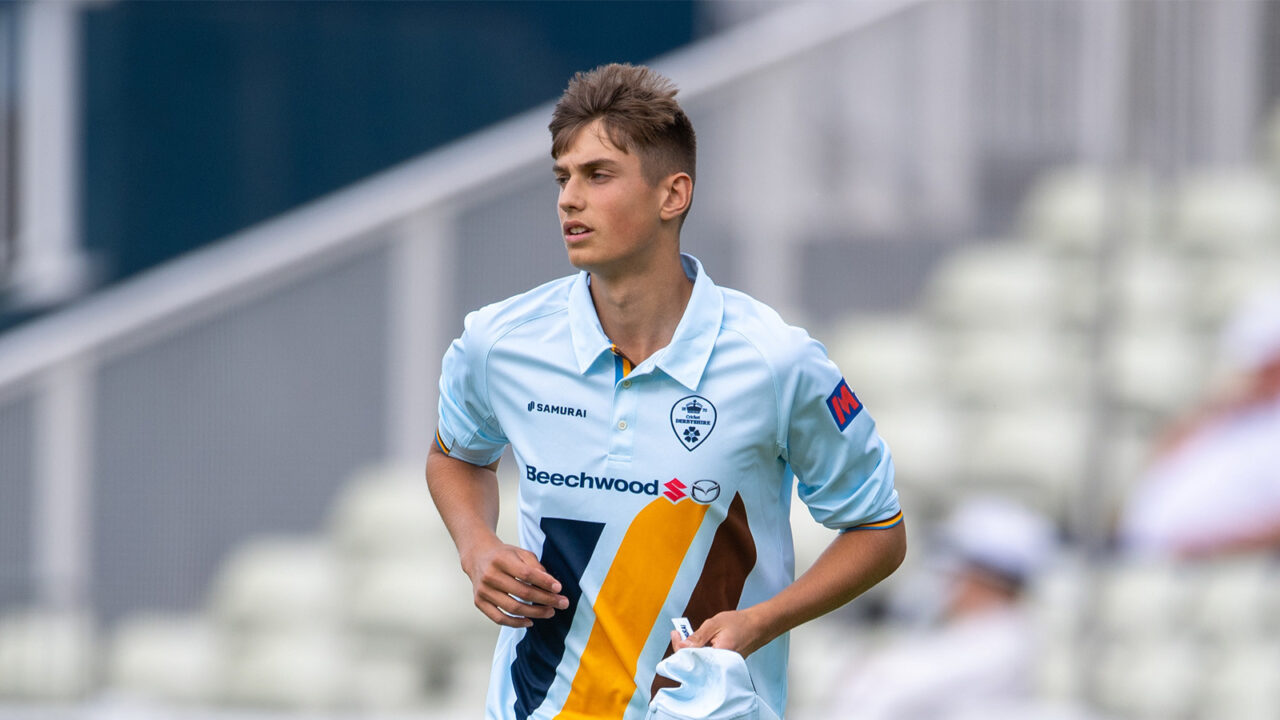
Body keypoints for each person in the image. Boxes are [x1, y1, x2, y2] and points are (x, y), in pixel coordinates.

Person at [425, 63, 905, 720]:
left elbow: (878, 530)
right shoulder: (498, 342)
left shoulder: (776, 361)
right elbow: (455, 455)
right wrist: (476, 545)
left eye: (598, 175)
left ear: (672, 195)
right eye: (563, 178)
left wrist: (762, 620)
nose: (569, 199)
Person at [809, 497, 1057, 720]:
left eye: (958, 572)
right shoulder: (979, 631)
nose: (947, 582)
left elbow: (886, 686)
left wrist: (871, 667)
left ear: (987, 579)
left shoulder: (1002, 642)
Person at [1120, 288, 1280, 557]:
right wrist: (1218, 407)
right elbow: (1160, 459)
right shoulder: (1232, 413)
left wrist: (1210, 548)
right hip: (1151, 558)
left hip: (1218, 567)